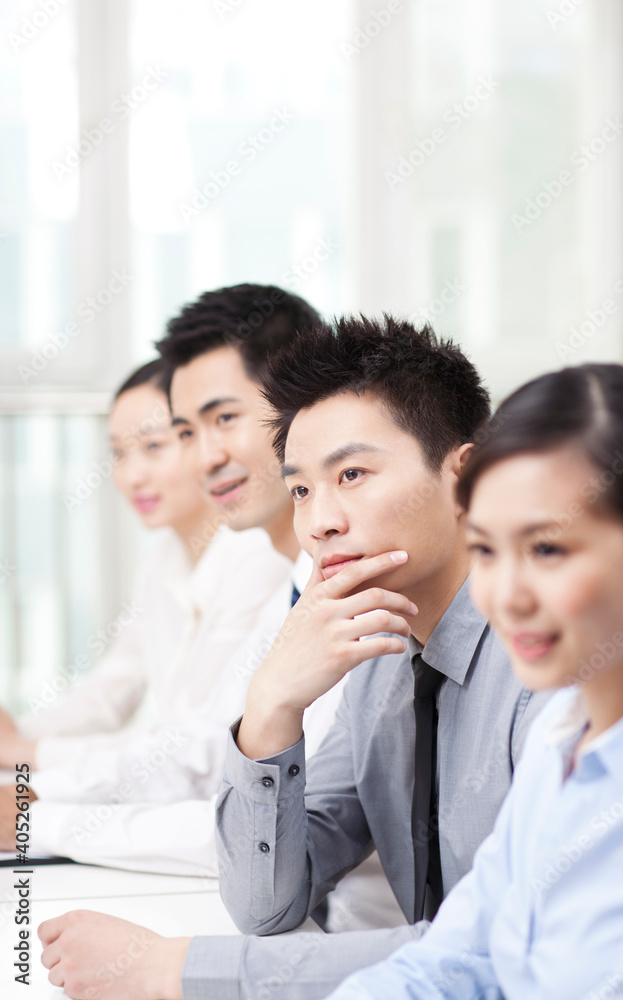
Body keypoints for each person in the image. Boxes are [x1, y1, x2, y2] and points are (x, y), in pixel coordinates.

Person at [38, 316, 549, 1000]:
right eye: (303, 488)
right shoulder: (378, 661)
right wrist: (270, 709)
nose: (319, 521)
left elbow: (510, 951)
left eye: (353, 474)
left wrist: (172, 969)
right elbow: (265, 903)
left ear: (464, 477)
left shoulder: (547, 666)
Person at [323, 362, 623, 999]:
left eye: (548, 550)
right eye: (484, 550)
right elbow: (461, 958)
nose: (505, 596)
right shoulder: (559, 743)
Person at [0, 358, 288, 773]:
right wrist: (19, 736)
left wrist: (29, 754)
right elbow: (113, 689)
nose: (132, 476)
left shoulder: (260, 554)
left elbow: (191, 739)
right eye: (118, 453)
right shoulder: (162, 553)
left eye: (154, 447)